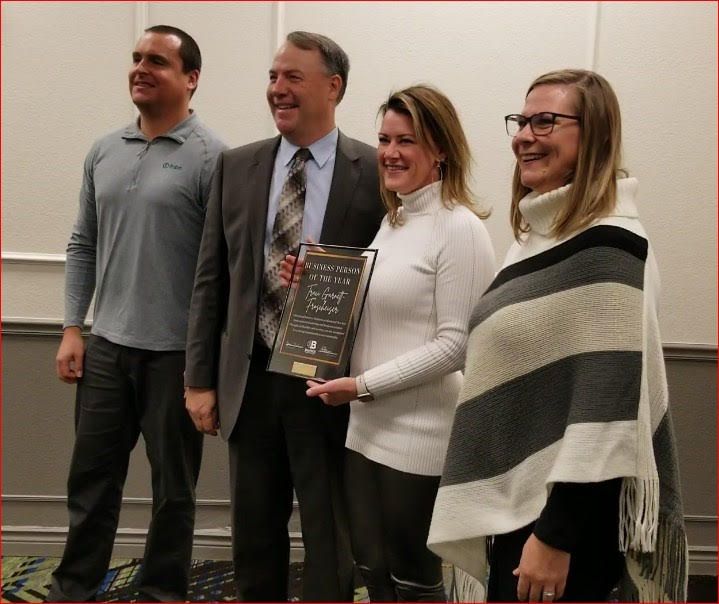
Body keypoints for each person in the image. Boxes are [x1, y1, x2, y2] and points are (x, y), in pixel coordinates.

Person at [428, 69, 688, 603]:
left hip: (565, 521)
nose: (524, 135)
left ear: (592, 135)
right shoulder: (539, 238)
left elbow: (605, 411)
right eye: (521, 121)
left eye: (545, 121)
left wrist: (555, 536)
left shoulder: (609, 247)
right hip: (522, 505)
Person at [183, 31, 384, 602]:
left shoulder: (372, 171)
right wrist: (199, 378)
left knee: (329, 537)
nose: (277, 89)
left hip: (328, 386)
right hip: (249, 382)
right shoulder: (237, 165)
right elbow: (209, 280)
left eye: (293, 77)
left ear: (333, 86)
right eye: (273, 77)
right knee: (253, 534)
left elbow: (394, 278)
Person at [48, 26, 226, 602]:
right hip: (105, 348)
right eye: (136, 58)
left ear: (190, 79)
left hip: (176, 357)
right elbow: (83, 245)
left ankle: (160, 593)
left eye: (157, 61)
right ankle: (73, 588)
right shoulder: (103, 150)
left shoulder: (212, 158)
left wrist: (205, 364)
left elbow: (221, 268)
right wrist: (73, 326)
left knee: (174, 490)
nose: (140, 68)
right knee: (92, 481)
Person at [302, 85, 496, 601]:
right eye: (385, 138)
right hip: (365, 429)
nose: (389, 152)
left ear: (442, 151)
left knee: (414, 580)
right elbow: (378, 316)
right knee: (374, 573)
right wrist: (312, 283)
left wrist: (362, 385)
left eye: (406, 140)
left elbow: (456, 345)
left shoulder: (460, 228)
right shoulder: (393, 222)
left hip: (420, 436)